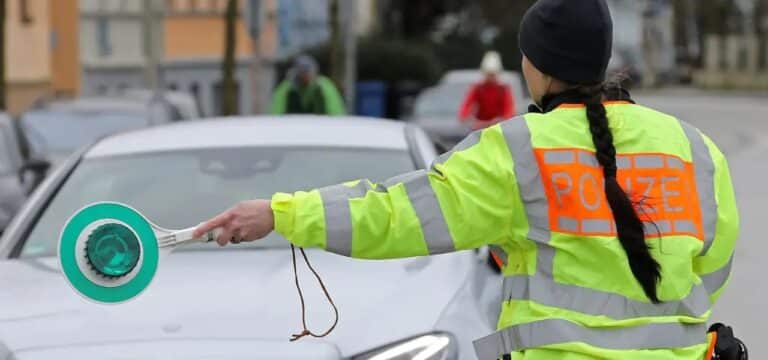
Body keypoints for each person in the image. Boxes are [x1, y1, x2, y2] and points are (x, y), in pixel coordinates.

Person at [194, 0, 740, 358]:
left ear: (535, 65)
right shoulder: (694, 148)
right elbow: (710, 268)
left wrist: (281, 214)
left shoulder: (519, 151)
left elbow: (395, 215)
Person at [269, 55, 346, 115]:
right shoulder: (286, 88)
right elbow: (275, 111)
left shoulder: (324, 86)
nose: (305, 75)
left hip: (321, 127)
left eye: (307, 72)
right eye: (302, 72)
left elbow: (336, 110)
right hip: (292, 127)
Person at [458, 51, 516, 130]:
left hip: (498, 127)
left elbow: (509, 108)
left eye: (492, 75)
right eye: (488, 74)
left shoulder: (503, 89)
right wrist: (464, 116)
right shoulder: (478, 88)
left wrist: (503, 120)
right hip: (480, 128)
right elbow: (467, 104)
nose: (490, 77)